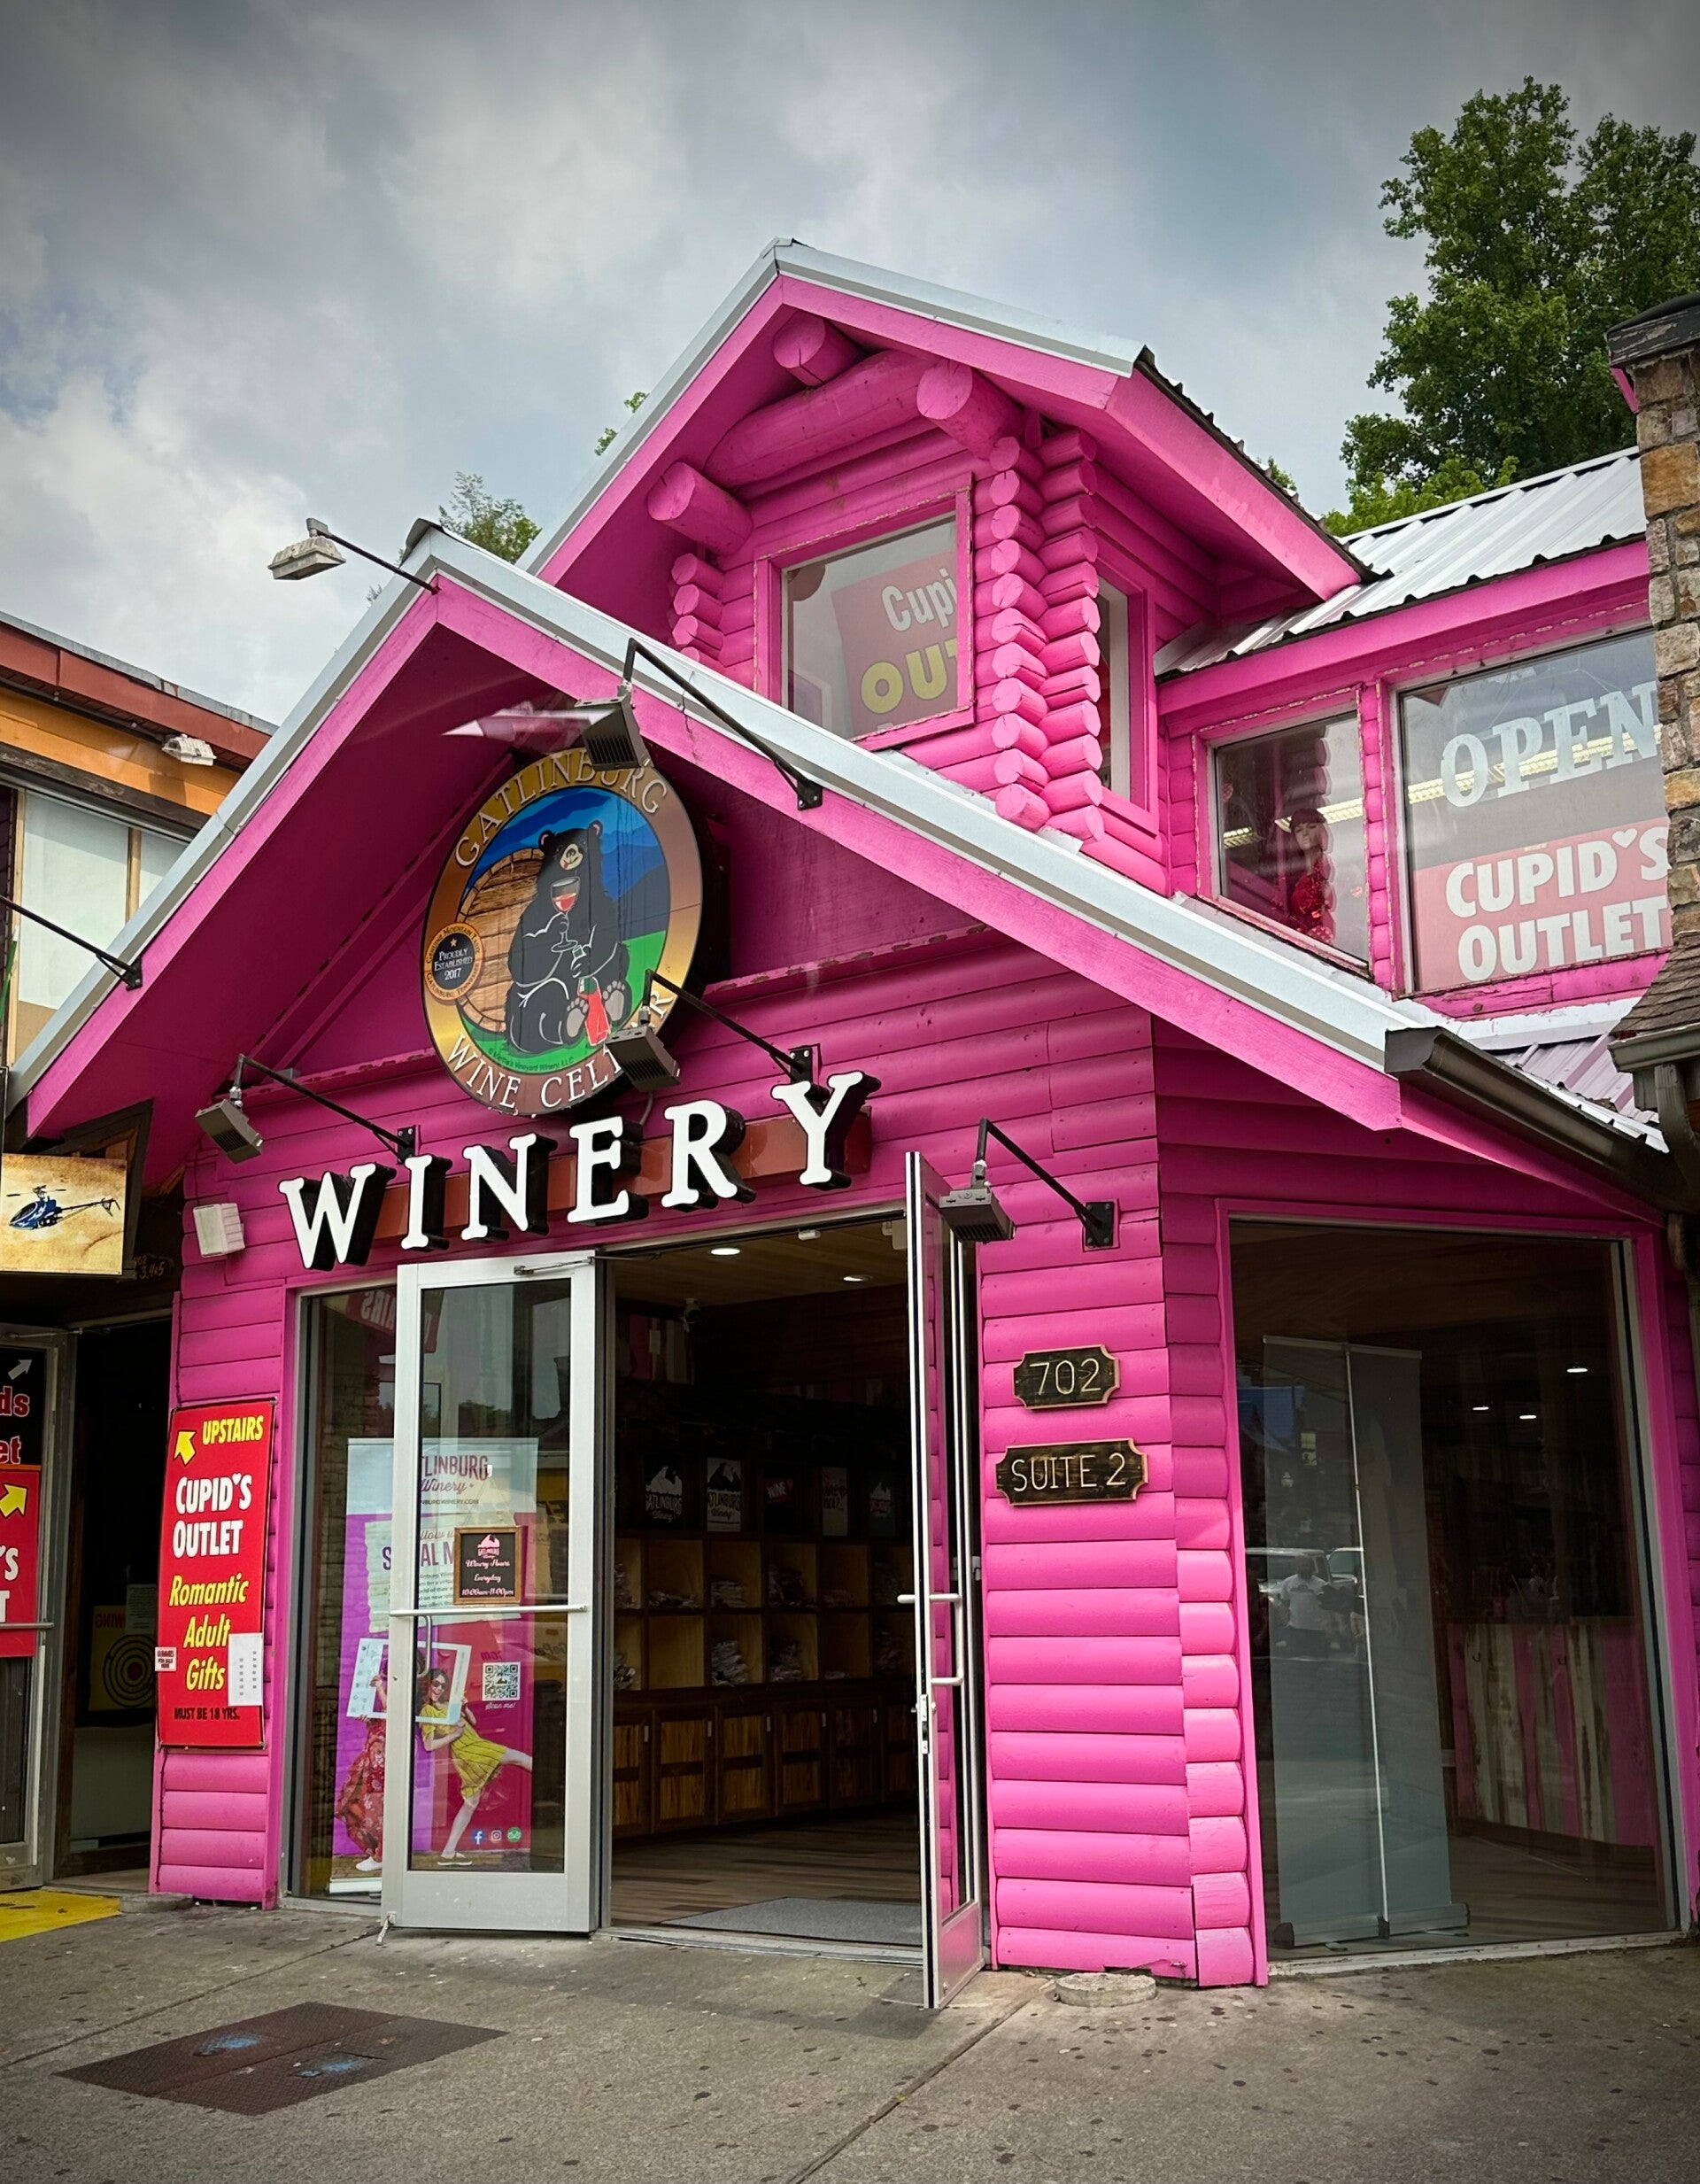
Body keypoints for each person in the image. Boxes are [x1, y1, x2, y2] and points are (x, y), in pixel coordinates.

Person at [416, 1663, 533, 1863]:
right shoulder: (427, 1711)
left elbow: (474, 1723)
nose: (439, 1689)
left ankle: (448, 1852)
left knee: (470, 1804)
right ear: (428, 1684)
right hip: (470, 1751)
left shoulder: (448, 1705)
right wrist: (454, 1734)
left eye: (443, 1686)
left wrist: (465, 1708)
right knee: (521, 1758)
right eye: (436, 1684)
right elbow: (429, 1745)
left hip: (473, 1747)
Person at [334, 1674, 386, 1875]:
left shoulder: (400, 1692)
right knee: (351, 1803)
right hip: (370, 1760)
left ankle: (381, 1855)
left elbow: (394, 1714)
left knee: (377, 1811)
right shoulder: (379, 1689)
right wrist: (365, 1715)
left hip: (384, 1763)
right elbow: (375, 1719)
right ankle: (378, 1851)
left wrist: (380, 1690)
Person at [1283, 807, 1336, 947]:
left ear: (1321, 831)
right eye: (1299, 830)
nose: (1305, 834)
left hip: (1323, 940)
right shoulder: (1293, 877)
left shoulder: (1327, 869)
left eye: (1311, 827)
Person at [1276, 1553, 1334, 1656]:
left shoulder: (1322, 1584)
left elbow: (1330, 1608)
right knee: (1296, 1660)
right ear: (1296, 1567)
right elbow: (1284, 1603)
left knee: (1318, 1660)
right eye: (1302, 1565)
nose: (1306, 1568)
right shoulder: (1288, 1583)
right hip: (1295, 1629)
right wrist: (1286, 1622)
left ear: (1312, 1567)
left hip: (1317, 1631)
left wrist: (1330, 1629)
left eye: (1308, 1565)